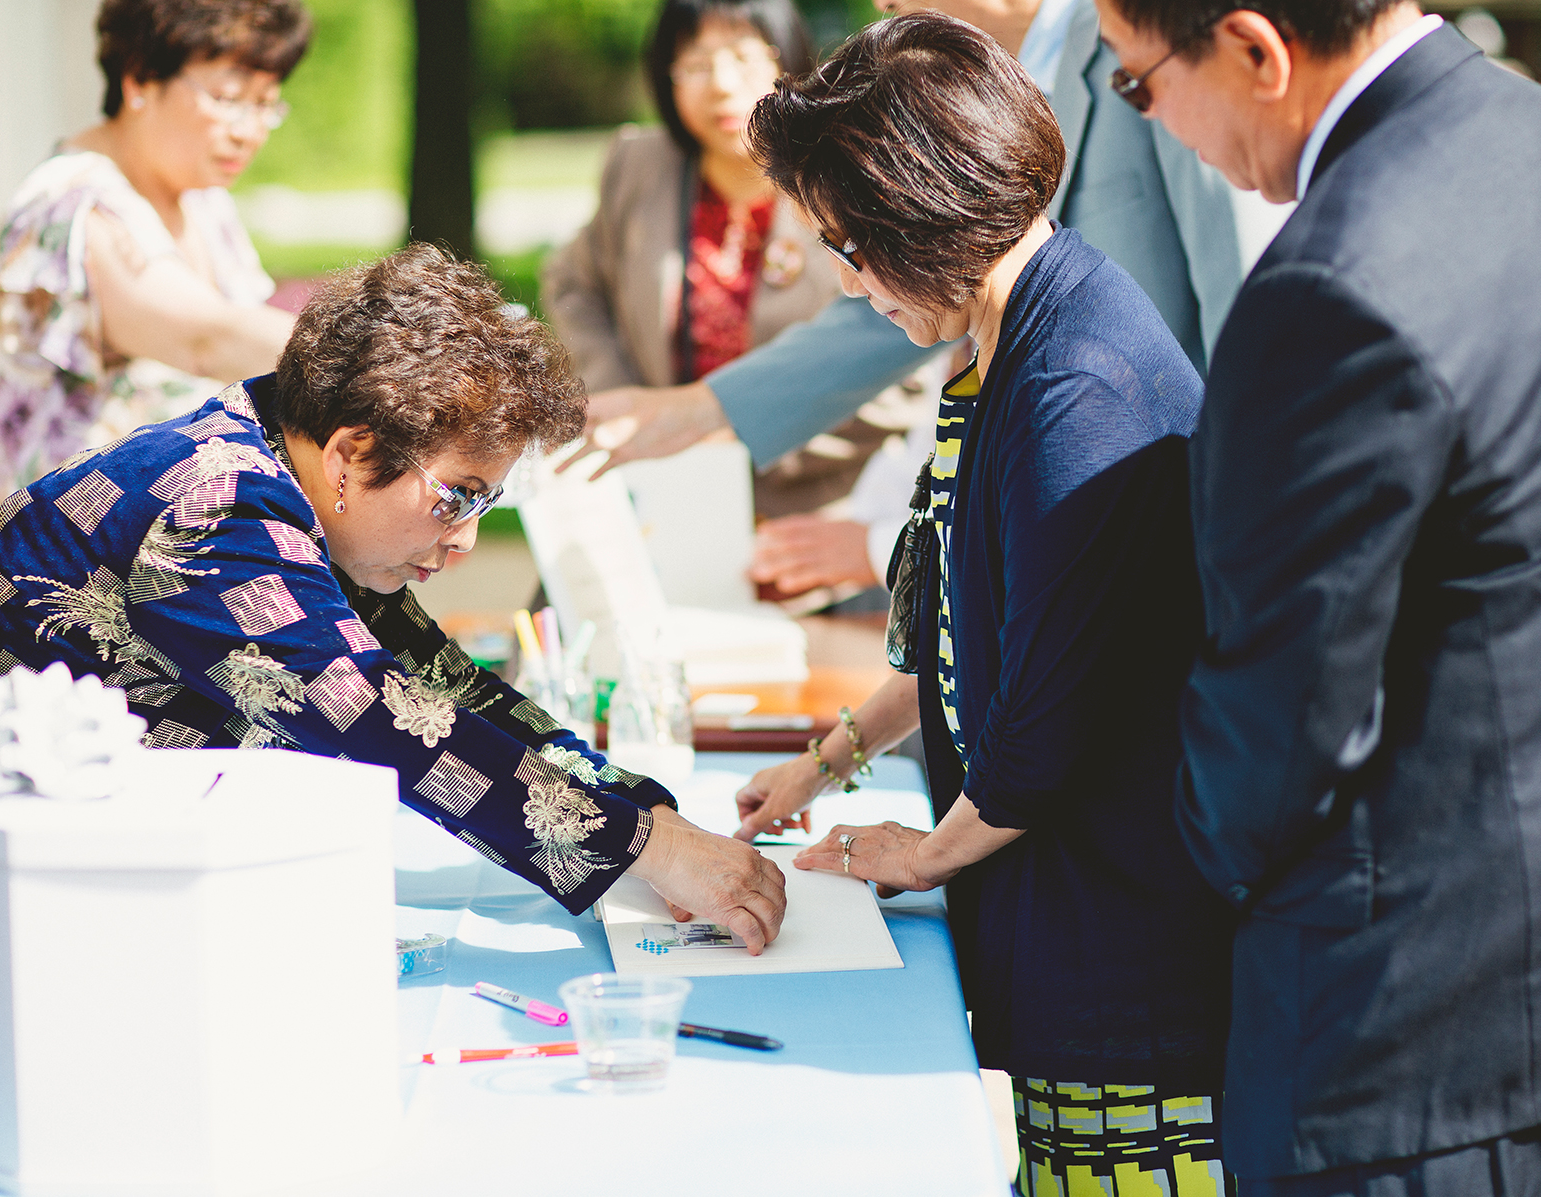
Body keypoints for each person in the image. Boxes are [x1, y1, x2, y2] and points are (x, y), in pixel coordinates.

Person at [1095, 0, 1541, 1191]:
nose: (1151, 120)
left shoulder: (1329, 280)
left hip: (1432, 1022)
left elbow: (1274, 729)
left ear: (1254, 50)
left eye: (1136, 83)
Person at [728, 15, 1235, 1195]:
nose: (848, 282)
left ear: (920, 215)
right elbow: (959, 622)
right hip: (1067, 900)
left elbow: (1043, 720)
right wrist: (825, 762)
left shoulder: (1076, 385)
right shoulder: (1004, 339)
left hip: (1121, 944)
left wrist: (920, 854)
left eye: (849, 246)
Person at [0, 243, 786, 951]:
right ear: (351, 454)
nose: (465, 540)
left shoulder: (282, 463)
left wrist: (645, 813)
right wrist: (645, 847)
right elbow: (378, 720)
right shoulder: (215, 507)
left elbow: (445, 692)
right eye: (457, 495)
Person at [560, 0, 1263, 523]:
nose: (884, 12)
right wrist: (699, 410)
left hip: (1193, 511)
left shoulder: (1148, 45)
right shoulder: (969, 94)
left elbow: (1250, 311)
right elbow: (905, 285)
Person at [541, 0, 929, 526]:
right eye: (696, 65)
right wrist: (627, 411)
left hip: (817, 514)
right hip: (663, 499)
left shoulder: (849, 170)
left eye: (743, 58)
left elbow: (903, 362)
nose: (721, 85)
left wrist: (740, 435)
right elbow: (575, 285)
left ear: (788, 59)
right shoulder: (639, 165)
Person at [0, 0, 310, 523]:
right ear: (140, 81)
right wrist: (367, 365)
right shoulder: (72, 203)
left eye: (266, 103)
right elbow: (207, 340)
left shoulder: (201, 198)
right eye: (228, 99)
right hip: (55, 553)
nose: (249, 131)